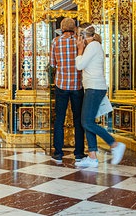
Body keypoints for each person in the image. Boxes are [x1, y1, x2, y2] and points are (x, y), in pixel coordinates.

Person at [74, 23, 125, 167]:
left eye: (79, 35)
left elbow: (79, 66)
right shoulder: (92, 47)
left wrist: (79, 50)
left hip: (95, 88)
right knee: (87, 121)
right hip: (92, 87)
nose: (77, 38)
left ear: (83, 36)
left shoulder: (93, 46)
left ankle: (114, 144)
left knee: (87, 122)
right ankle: (92, 157)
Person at [50, 17, 85, 164]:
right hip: (77, 85)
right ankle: (79, 153)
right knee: (78, 120)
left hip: (61, 84)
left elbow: (52, 63)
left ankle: (58, 152)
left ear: (62, 28)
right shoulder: (80, 41)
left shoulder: (55, 42)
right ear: (74, 28)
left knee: (59, 119)